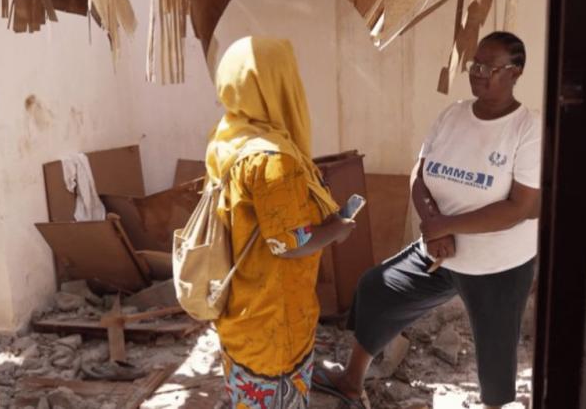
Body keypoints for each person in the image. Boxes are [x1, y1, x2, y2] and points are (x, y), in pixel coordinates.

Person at [312, 31, 541, 409]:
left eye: (490, 67)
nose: (479, 73)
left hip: (498, 264)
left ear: (515, 72)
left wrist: (445, 227)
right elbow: (419, 172)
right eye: (475, 64)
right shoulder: (453, 114)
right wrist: (434, 225)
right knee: (377, 289)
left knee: (495, 351)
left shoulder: (526, 128)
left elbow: (518, 207)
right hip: (440, 251)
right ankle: (351, 381)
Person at [206, 37, 356, 408]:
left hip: (243, 308)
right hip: (275, 320)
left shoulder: (228, 138)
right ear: (279, 83)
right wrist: (335, 230)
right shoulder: (274, 160)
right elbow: (288, 244)